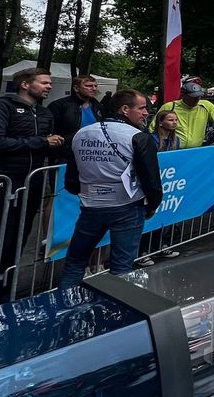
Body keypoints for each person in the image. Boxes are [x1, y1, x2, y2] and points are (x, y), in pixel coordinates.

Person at [0, 67, 62, 307]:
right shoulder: (0, 107)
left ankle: (6, 294)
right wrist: (40, 142)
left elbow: (44, 145)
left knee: (18, 240)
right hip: (2, 181)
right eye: (44, 82)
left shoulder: (44, 113)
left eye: (49, 83)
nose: (49, 86)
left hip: (31, 183)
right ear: (25, 84)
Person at [60, 89, 163, 288]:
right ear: (125, 109)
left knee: (75, 263)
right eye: (142, 108)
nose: (145, 113)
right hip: (127, 207)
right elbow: (151, 179)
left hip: (91, 206)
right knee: (122, 268)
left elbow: (72, 178)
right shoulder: (138, 137)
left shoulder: (81, 133)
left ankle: (63, 303)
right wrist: (153, 204)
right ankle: (117, 305)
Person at [150, 81, 214, 148]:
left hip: (195, 152)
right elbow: (153, 127)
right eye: (192, 97)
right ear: (183, 95)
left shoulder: (206, 106)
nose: (196, 99)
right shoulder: (170, 106)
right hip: (172, 151)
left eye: (198, 96)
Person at [48, 75, 102, 155]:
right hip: (66, 152)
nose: (94, 89)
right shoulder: (60, 106)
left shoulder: (99, 107)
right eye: (89, 86)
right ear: (76, 88)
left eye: (95, 86)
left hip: (92, 152)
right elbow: (51, 131)